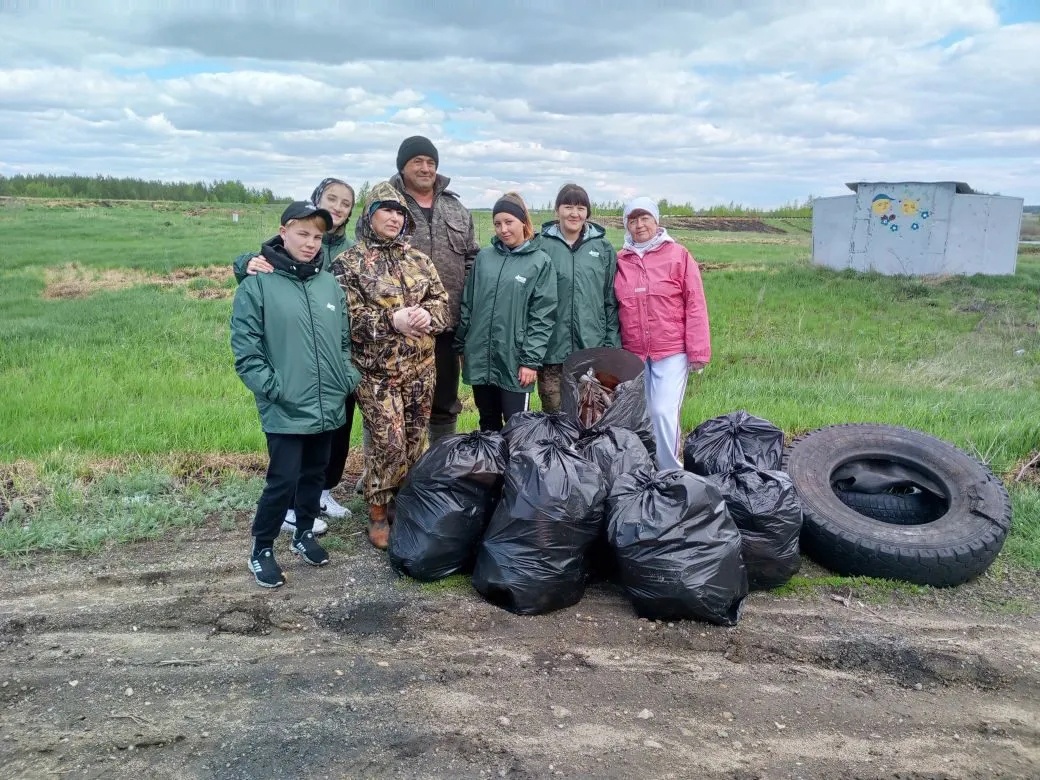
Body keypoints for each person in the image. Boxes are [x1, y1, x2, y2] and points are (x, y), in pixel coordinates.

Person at [230, 201, 362, 588]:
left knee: (315, 476)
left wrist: (346, 378)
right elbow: (247, 353)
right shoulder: (257, 285)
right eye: (302, 234)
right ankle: (262, 549)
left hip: (328, 403)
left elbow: (342, 340)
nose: (310, 243)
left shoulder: (328, 284)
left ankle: (304, 532)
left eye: (317, 236)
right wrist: (275, 389)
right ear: (284, 231)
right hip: (285, 406)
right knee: (282, 480)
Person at [331, 182, 450, 550]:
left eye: (401, 213)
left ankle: (404, 503)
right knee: (389, 441)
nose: (395, 218)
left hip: (421, 370)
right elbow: (345, 320)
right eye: (387, 210)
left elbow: (443, 306)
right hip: (376, 374)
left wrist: (425, 316)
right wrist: (391, 321)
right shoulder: (348, 264)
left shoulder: (419, 260)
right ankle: (378, 511)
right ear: (370, 214)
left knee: (415, 442)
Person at [390, 136, 480, 444]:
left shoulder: (455, 208)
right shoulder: (387, 205)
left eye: (431, 162)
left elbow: (471, 259)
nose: (426, 168)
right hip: (399, 327)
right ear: (403, 167)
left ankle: (440, 468)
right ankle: (387, 472)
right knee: (393, 404)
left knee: (444, 402)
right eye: (418, 161)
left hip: (445, 325)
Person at [614, 197, 710, 470]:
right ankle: (640, 470)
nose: (639, 224)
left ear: (656, 222)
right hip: (634, 352)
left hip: (670, 349)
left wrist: (698, 351)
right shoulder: (620, 260)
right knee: (637, 415)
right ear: (626, 225)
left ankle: (670, 473)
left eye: (645, 218)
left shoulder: (678, 255)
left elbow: (695, 303)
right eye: (633, 219)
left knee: (662, 411)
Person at [455, 193, 557, 431]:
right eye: (497, 223)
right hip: (481, 358)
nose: (503, 229)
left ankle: (515, 468)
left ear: (523, 221)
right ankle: (491, 469)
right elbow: (468, 304)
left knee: (517, 426)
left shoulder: (540, 262)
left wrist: (530, 361)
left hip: (515, 361)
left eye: (508, 222)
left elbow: (542, 317)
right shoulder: (484, 258)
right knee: (487, 424)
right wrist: (462, 347)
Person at [537, 183, 620, 412]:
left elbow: (610, 301)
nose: (574, 213)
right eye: (568, 206)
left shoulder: (602, 249)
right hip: (551, 350)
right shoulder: (540, 246)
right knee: (555, 414)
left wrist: (611, 347)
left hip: (591, 349)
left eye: (581, 208)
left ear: (587, 214)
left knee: (589, 414)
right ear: (557, 210)